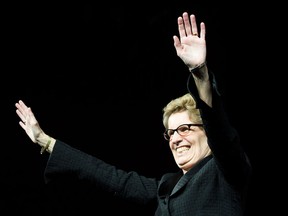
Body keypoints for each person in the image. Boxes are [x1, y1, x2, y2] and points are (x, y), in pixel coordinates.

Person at [15, 12, 252, 215]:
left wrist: (199, 72)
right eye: (170, 133)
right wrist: (46, 141)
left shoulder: (226, 169)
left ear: (206, 133)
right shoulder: (166, 187)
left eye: (184, 129)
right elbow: (109, 176)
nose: (176, 139)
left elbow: (218, 127)